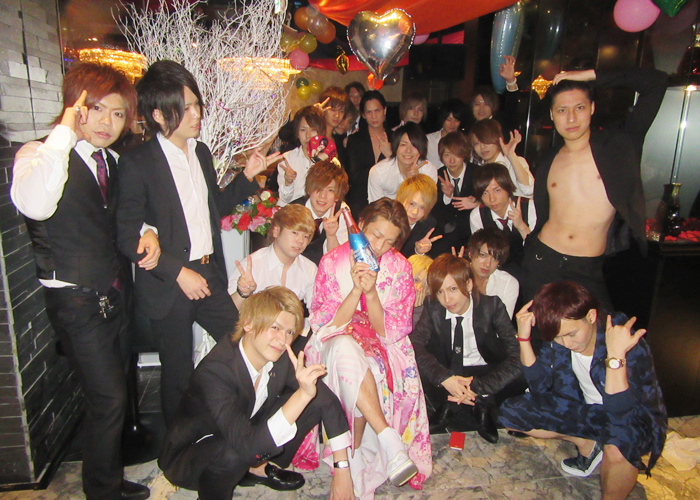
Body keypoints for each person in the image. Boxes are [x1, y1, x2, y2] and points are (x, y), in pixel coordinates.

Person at [10, 62, 152, 500]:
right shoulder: (37, 154)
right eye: (97, 109)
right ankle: (102, 491)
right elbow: (36, 204)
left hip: (116, 294)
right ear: (75, 106)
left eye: (118, 113)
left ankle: (106, 477)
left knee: (114, 394)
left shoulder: (112, 161)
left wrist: (148, 230)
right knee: (108, 399)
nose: (108, 122)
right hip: (76, 301)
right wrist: (64, 134)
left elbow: (126, 217)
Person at [116, 60, 283, 426]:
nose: (197, 114)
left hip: (207, 272)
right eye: (187, 107)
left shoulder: (201, 152)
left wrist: (247, 177)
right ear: (159, 114)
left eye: (197, 104)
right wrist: (178, 272)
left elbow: (214, 210)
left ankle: (241, 429)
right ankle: (177, 451)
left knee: (242, 343)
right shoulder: (137, 163)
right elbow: (127, 234)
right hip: (168, 281)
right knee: (177, 374)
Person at [159, 286, 355, 500]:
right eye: (275, 327)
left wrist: (342, 470)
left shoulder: (279, 356)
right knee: (233, 454)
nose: (283, 340)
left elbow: (326, 400)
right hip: (189, 456)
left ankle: (257, 469)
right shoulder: (216, 371)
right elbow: (247, 447)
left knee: (313, 397)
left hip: (243, 432)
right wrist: (302, 396)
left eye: (289, 332)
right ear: (249, 324)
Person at [303, 198, 432, 498]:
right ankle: (388, 441)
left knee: (365, 364)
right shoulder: (332, 261)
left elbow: (390, 331)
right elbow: (326, 324)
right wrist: (355, 290)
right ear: (360, 225)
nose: (379, 246)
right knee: (344, 347)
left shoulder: (399, 267)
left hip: (382, 344)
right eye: (375, 235)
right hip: (335, 338)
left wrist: (371, 293)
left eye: (390, 241)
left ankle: (354, 454)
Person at [499, 281, 667, 499]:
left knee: (618, 446)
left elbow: (620, 414)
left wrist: (616, 357)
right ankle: (588, 444)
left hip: (633, 418)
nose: (566, 343)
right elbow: (540, 387)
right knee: (512, 413)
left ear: (591, 316)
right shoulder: (559, 337)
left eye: (571, 334)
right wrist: (523, 338)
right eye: (558, 337)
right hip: (587, 410)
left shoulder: (625, 341)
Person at [522, 68, 667, 310]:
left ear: (592, 108)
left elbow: (656, 82)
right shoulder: (549, 160)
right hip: (542, 260)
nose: (571, 118)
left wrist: (588, 76)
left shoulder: (618, 145)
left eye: (579, 107)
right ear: (552, 115)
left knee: (599, 333)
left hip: (588, 268)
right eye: (562, 110)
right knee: (539, 331)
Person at [410, 254, 522, 443]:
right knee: (413, 364)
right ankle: (453, 404)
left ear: (468, 284)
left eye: (453, 289)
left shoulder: (491, 306)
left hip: (483, 369)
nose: (447, 299)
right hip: (449, 368)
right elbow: (416, 344)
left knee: (523, 371)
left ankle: (480, 403)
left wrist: (478, 387)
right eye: (440, 292)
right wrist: (444, 378)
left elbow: (515, 355)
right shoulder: (433, 306)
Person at [229, 204, 317, 309]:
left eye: (306, 236)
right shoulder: (252, 265)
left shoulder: (310, 269)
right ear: (276, 231)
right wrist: (242, 293)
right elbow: (227, 312)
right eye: (295, 233)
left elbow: (317, 311)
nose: (301, 241)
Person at [470, 163, 537, 279]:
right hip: (497, 273)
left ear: (508, 188)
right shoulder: (478, 215)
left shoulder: (529, 207)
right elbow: (480, 255)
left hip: (530, 269)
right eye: (485, 193)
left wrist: (521, 226)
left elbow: (538, 252)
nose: (492, 199)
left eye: (497, 190)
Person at [290, 159, 350, 265]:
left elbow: (338, 260)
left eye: (330, 190)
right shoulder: (293, 211)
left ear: (337, 196)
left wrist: (331, 235)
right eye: (319, 188)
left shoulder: (341, 211)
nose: (323, 196)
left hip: (325, 268)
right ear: (309, 189)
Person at [344, 90, 392, 217]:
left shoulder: (395, 138)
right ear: (363, 115)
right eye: (369, 112)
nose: (374, 116)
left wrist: (390, 156)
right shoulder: (355, 140)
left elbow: (401, 174)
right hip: (360, 203)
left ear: (384, 110)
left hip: (388, 202)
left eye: (377, 110)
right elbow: (353, 177)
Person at [432, 131, 479, 255]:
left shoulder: (478, 173)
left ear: (464, 154)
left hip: (473, 231)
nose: (452, 160)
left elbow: (492, 200)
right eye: (447, 155)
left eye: (456, 154)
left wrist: (477, 203)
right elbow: (436, 212)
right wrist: (448, 197)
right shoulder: (437, 176)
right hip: (446, 234)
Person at [367, 122, 438, 203]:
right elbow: (376, 207)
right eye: (403, 145)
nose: (408, 150)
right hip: (387, 210)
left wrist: (416, 182)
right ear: (395, 147)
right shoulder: (379, 172)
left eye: (414, 146)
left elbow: (426, 205)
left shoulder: (428, 170)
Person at [468, 119, 533, 197]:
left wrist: (511, 156)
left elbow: (529, 190)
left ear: (498, 139)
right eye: (476, 143)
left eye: (486, 141)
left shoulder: (513, 161)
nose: (482, 147)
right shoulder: (479, 167)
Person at [276, 105, 325, 206]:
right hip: (291, 212)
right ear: (297, 133)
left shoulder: (329, 161)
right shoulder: (288, 159)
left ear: (321, 133)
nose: (308, 136)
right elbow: (285, 199)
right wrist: (288, 182)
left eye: (313, 130)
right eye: (303, 130)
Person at [466, 228, 519, 318]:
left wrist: (484, 300)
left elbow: (502, 325)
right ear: (470, 254)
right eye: (483, 255)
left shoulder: (508, 284)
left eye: (495, 258)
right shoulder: (456, 276)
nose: (488, 264)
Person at [466, 56, 521, 138]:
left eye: (486, 104)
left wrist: (511, 81)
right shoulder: (467, 129)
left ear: (493, 106)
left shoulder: (501, 125)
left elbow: (512, 106)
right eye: (477, 104)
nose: (481, 108)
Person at [396, 174, 441, 259]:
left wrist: (418, 252)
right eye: (412, 204)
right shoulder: (387, 216)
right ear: (400, 199)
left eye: (422, 208)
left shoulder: (428, 224)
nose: (415, 212)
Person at [425, 98, 467, 167]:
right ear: (442, 119)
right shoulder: (429, 140)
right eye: (449, 120)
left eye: (456, 120)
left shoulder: (464, 141)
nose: (452, 124)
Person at [408, 253, 433, 327]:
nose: (419, 287)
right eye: (415, 280)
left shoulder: (431, 310)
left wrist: (417, 311)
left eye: (425, 285)